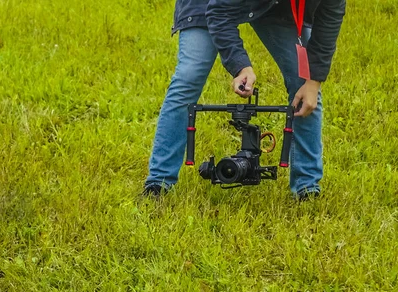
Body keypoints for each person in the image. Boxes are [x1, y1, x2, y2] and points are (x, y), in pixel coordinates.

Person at [144, 0, 346, 200]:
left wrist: (313, 81)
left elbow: (329, 19)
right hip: (209, 4)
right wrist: (240, 66)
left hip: (278, 7)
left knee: (305, 83)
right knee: (189, 77)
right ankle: (159, 181)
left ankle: (307, 186)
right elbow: (218, 12)